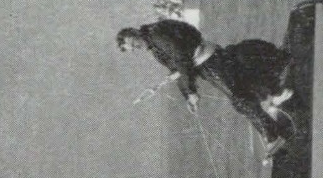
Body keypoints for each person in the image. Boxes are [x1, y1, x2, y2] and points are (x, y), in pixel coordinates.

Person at [116, 18, 295, 148]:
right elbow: (177, 69)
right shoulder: (154, 47)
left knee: (240, 99)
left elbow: (181, 58)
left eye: (133, 44)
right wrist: (188, 95)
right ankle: (276, 99)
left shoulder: (157, 35)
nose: (136, 48)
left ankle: (272, 135)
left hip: (210, 61)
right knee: (242, 90)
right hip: (206, 65)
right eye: (132, 49)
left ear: (133, 32)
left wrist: (191, 90)